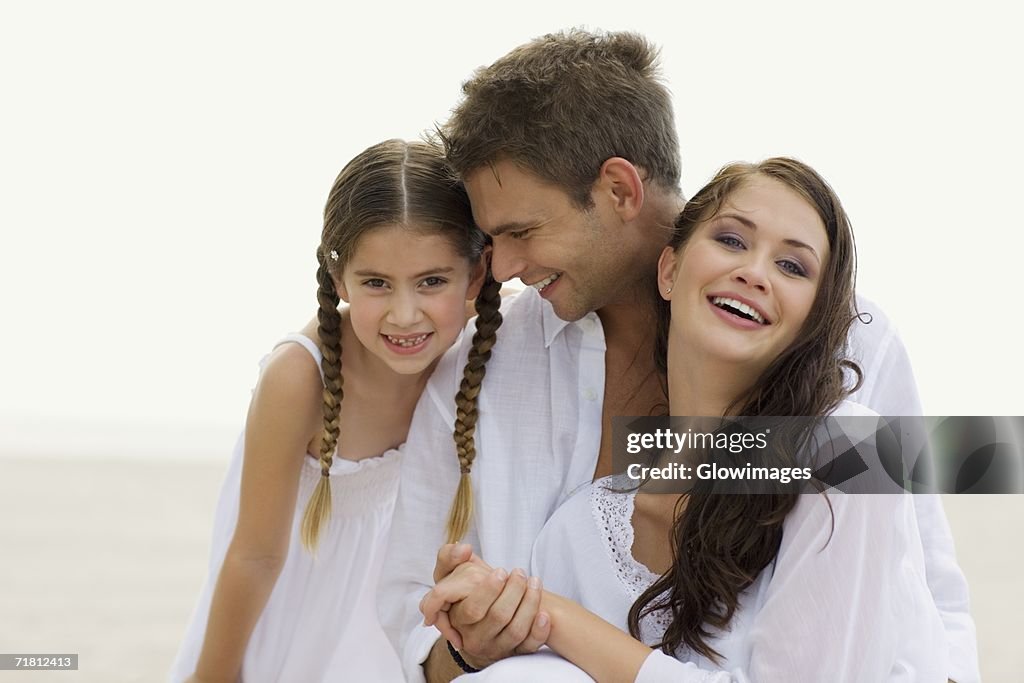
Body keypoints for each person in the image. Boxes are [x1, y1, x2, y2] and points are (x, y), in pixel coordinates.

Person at [377, 29, 977, 683]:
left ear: (620, 190)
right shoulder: (484, 386)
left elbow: (928, 594)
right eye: (493, 239)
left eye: (522, 231)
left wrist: (553, 619)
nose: (508, 268)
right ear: (669, 271)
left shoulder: (852, 353)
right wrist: (468, 646)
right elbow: (412, 628)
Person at [168, 139, 493, 683]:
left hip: (393, 625)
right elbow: (254, 558)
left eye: (432, 281)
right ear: (339, 278)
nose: (405, 314)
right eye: (376, 284)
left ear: (476, 276)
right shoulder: (300, 377)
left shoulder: (478, 352)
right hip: (288, 620)